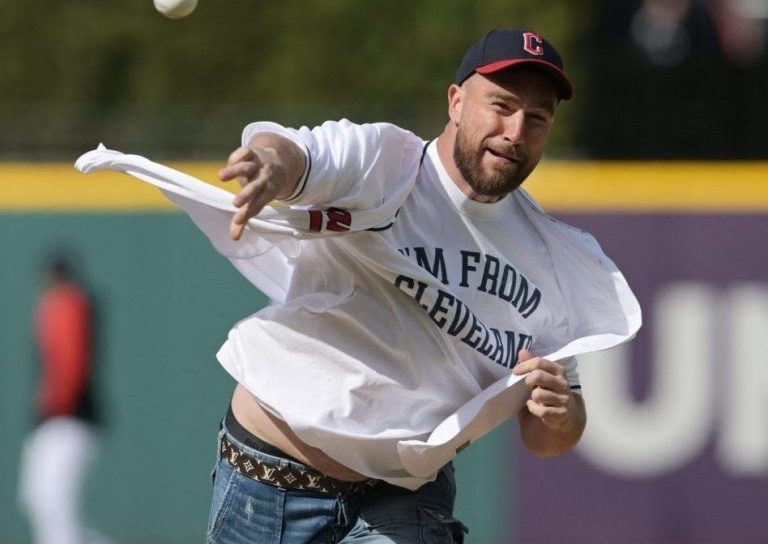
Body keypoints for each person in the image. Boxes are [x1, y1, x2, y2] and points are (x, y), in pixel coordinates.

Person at [75, 28, 640, 544]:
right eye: (502, 106)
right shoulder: (388, 164)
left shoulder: (554, 258)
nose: (515, 131)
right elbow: (303, 153)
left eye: (537, 118)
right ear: (456, 102)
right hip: (269, 482)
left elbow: (551, 436)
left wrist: (561, 416)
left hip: (406, 499)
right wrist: (274, 166)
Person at [17, 254, 110, 544]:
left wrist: (56, 402)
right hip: (60, 421)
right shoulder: (63, 306)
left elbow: (70, 366)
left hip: (67, 420)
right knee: (38, 500)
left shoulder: (68, 305)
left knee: (55, 510)